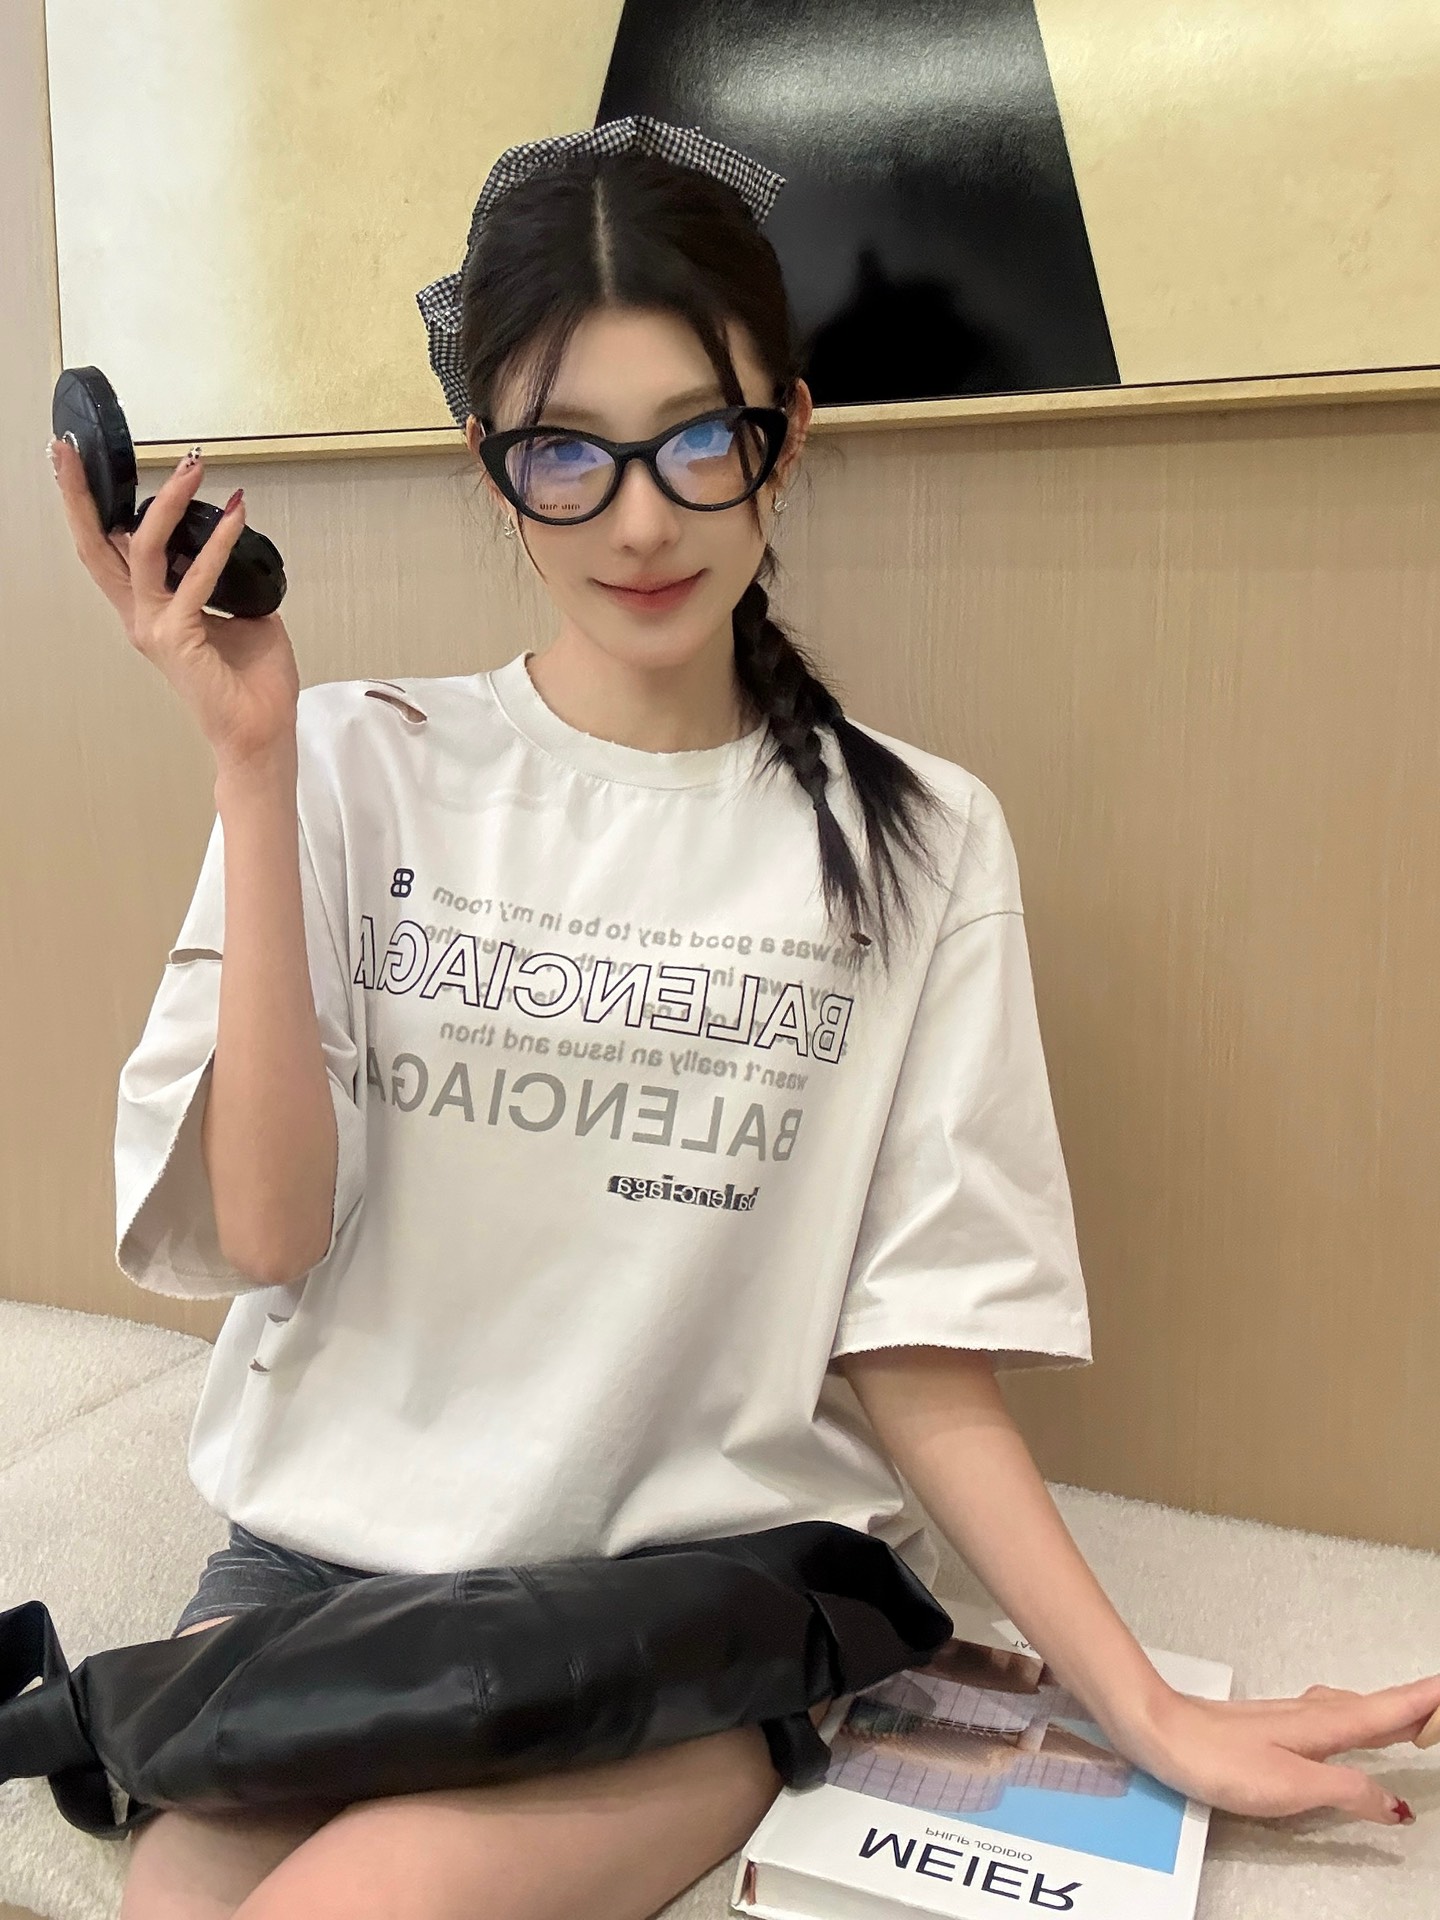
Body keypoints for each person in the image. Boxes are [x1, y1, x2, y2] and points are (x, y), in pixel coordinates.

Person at [50, 115, 1438, 1920]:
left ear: (786, 434)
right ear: (492, 470)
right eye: (568, 453)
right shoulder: (341, 762)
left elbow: (912, 1346)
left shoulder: (921, 841)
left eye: (699, 439)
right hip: (318, 1576)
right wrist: (248, 767)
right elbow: (264, 1235)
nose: (642, 519)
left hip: (681, 1618)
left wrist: (1149, 1709)